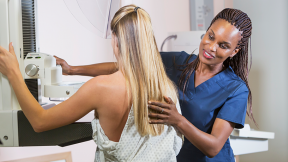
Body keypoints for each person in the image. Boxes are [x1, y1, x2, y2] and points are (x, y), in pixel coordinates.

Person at [54, 8, 254, 161]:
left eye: (223, 45)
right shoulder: (178, 61)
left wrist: (177, 120)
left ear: (234, 52)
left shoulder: (236, 89)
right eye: (211, 36)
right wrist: (72, 69)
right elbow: (125, 66)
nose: (211, 47)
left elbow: (213, 147)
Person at [0, 5, 183, 162]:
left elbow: (40, 122)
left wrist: (14, 74)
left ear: (116, 40)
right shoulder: (166, 89)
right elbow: (121, 69)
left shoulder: (100, 88)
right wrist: (72, 69)